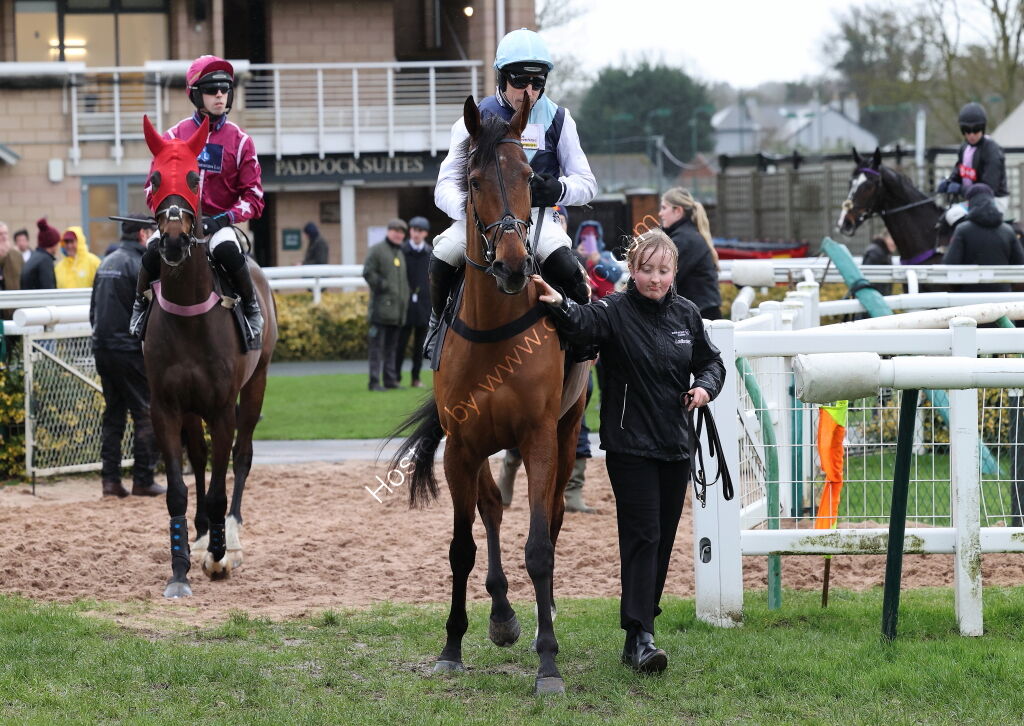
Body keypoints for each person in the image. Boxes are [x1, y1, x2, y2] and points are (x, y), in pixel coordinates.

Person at [532, 228, 726, 674]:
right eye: (646, 269)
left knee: (662, 541)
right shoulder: (614, 310)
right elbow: (582, 322)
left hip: (676, 444)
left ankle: (638, 632)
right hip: (629, 445)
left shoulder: (687, 313)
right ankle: (641, 635)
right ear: (633, 270)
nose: (655, 278)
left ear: (674, 271)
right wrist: (558, 302)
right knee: (644, 536)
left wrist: (703, 387)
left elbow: (711, 361)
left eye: (663, 270)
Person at [427, 28, 598, 354]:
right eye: (520, 82)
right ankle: (436, 325)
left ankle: (582, 341)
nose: (529, 91)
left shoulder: (560, 119)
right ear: (503, 78)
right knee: (443, 256)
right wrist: (471, 210)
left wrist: (559, 190)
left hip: (537, 218)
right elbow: (444, 184)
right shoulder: (472, 120)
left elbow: (587, 183)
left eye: (537, 83)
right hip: (483, 219)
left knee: (568, 267)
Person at [132, 55, 265, 347]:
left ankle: (252, 308)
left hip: (219, 226)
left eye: (225, 89)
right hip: (178, 221)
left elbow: (254, 198)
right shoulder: (172, 136)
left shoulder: (241, 141)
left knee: (229, 250)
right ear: (195, 94)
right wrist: (170, 214)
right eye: (211, 89)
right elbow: (151, 188)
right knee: (152, 249)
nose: (219, 95)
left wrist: (223, 219)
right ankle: (140, 306)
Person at [90, 215, 164, 498]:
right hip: (129, 351)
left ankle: (110, 481)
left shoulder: (105, 262)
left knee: (114, 415)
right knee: (146, 413)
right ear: (143, 234)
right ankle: (143, 480)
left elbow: (93, 311)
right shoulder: (142, 264)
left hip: (103, 347)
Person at [937, 102, 1009, 227]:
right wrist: (949, 182)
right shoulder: (964, 148)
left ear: (983, 128)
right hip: (973, 199)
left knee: (953, 215)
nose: (971, 135)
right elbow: (959, 170)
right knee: (944, 215)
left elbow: (988, 189)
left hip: (993, 200)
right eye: (966, 130)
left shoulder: (991, 151)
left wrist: (960, 189)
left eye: (976, 130)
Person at [945, 183, 1024, 292]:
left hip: (968, 296)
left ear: (970, 202)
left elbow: (950, 265)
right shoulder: (1008, 231)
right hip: (1003, 296)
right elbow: (1020, 265)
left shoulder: (962, 230)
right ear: (992, 201)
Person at [659, 187, 721, 320]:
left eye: (664, 208)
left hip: (700, 317)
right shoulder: (687, 236)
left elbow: (662, 281)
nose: (660, 213)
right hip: (702, 313)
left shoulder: (683, 240)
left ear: (678, 211)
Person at [362, 218, 410, 391]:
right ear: (388, 232)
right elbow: (368, 272)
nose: (398, 235)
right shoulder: (377, 250)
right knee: (377, 349)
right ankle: (374, 382)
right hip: (380, 310)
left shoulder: (399, 253)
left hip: (397, 311)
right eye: (395, 231)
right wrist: (383, 286)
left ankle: (390, 380)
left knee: (391, 348)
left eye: (401, 232)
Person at [395, 216, 432, 388]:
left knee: (419, 347)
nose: (416, 233)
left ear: (425, 233)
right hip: (405, 305)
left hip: (424, 305)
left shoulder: (430, 253)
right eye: (414, 230)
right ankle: (395, 377)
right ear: (410, 231)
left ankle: (415, 378)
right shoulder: (401, 251)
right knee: (400, 344)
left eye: (420, 231)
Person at [20, 218, 59, 290]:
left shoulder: (34, 257)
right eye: (57, 243)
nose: (58, 247)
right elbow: (48, 290)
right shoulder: (45, 260)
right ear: (52, 244)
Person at [861, 231, 895, 296]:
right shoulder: (875, 252)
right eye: (892, 239)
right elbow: (868, 277)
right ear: (885, 238)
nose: (894, 243)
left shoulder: (884, 252)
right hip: (874, 298)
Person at [0, 221, 24, 293]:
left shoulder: (16, 254)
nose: (4, 236)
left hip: (16, 293)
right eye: (0, 234)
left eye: (5, 233)